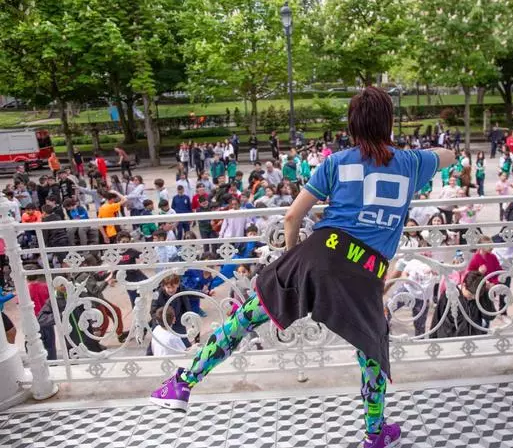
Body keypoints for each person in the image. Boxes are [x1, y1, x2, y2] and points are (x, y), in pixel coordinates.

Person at [149, 86, 455, 448]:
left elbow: (294, 215)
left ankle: (183, 383)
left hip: (320, 253)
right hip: (366, 271)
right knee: (370, 347)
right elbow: (448, 154)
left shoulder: (337, 162)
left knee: (247, 316)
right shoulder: (411, 163)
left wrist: (292, 260)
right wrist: (413, 151)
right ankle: (375, 434)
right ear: (388, 122)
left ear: (352, 125)